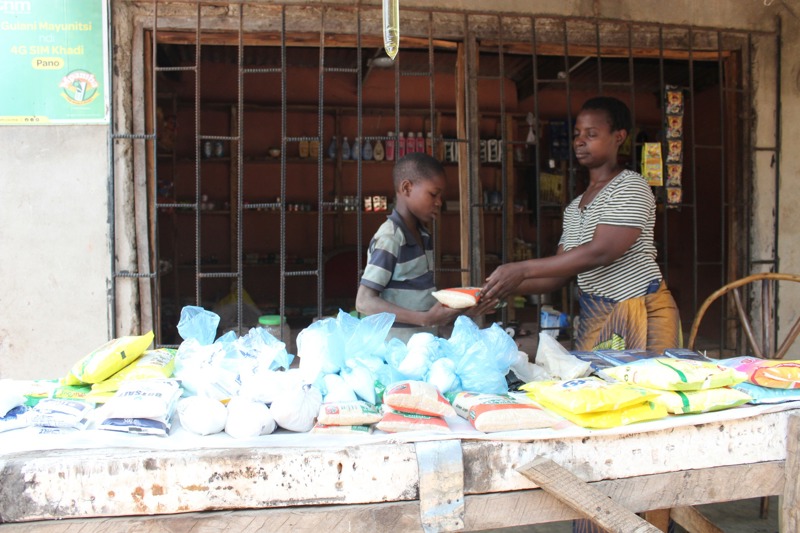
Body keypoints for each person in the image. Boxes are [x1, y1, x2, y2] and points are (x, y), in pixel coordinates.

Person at [481, 96, 681, 353]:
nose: (579, 141)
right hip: (596, 315)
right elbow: (557, 275)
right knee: (595, 379)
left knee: (641, 379)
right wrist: (493, 290)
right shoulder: (575, 207)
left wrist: (521, 269)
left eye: (591, 134)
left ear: (619, 137)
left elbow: (601, 252)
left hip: (642, 312)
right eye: (577, 134)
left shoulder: (631, 186)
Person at [356, 152, 492, 342]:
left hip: (420, 345)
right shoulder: (390, 238)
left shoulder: (423, 236)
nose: (439, 202)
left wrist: (466, 310)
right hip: (394, 349)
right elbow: (364, 301)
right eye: (433, 194)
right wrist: (425, 319)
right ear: (406, 188)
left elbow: (421, 303)